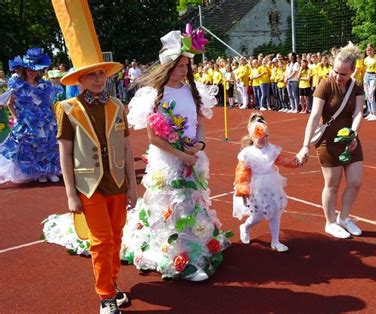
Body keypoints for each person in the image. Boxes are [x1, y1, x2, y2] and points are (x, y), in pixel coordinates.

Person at [45, 1, 137, 312]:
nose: (98, 79)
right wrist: (70, 194)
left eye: (101, 73)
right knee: (100, 242)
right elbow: (65, 152)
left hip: (118, 182)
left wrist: (133, 187)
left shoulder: (116, 106)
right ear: (79, 80)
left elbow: (126, 146)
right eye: (90, 75)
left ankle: (113, 283)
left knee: (116, 237)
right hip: (89, 186)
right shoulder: (68, 109)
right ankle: (106, 296)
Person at [124, 27, 231, 281]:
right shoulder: (154, 96)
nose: (185, 70)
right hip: (168, 161)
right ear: (167, 66)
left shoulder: (191, 91)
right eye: (180, 65)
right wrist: (181, 155)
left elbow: (200, 124)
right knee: (173, 207)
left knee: (193, 203)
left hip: (192, 157)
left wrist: (200, 145)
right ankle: (178, 258)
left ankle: (194, 248)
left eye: (186, 65)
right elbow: (153, 137)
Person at [296, 42, 365, 239]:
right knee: (332, 184)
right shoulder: (325, 84)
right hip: (328, 141)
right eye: (335, 71)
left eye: (343, 74)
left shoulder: (356, 85)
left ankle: (344, 218)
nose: (338, 76)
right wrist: (304, 146)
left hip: (349, 139)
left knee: (355, 181)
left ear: (353, 71)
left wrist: (353, 134)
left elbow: (359, 112)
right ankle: (330, 222)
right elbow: (314, 115)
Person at [233, 113, 298, 252]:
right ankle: (245, 227)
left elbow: (284, 160)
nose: (263, 139)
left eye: (266, 136)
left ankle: (275, 242)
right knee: (257, 216)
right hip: (257, 188)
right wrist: (243, 190)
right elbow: (242, 174)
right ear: (251, 136)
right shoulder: (247, 153)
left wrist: (297, 161)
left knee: (276, 213)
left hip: (273, 185)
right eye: (259, 136)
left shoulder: (272, 149)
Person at [0, 48, 61, 184]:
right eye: (29, 69)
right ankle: (40, 173)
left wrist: (55, 117)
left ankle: (51, 171)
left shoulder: (44, 85)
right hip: (28, 122)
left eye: (35, 70)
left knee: (49, 145)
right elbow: (10, 104)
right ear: (24, 70)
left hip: (46, 120)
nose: (32, 72)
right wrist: (17, 117)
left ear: (39, 70)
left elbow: (50, 102)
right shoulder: (18, 85)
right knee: (33, 146)